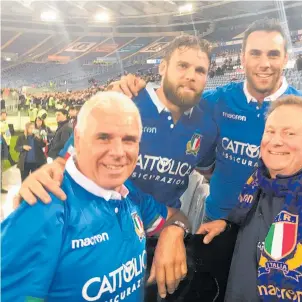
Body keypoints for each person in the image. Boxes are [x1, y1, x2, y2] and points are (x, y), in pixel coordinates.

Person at [108, 19, 302, 222]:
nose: (264, 63)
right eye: (255, 53)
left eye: (273, 54)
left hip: (276, 221)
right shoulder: (215, 101)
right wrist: (130, 90)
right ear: (243, 58)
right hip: (218, 218)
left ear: (285, 58)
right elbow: (178, 100)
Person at [1, 91, 190, 301]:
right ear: (78, 139)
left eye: (129, 140)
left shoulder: (129, 194)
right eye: (103, 137)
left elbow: (176, 217)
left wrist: (174, 231)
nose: (118, 152)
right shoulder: (43, 208)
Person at [14, 35, 218, 210]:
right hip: (105, 225)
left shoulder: (206, 126)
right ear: (163, 67)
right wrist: (51, 171)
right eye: (183, 65)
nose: (191, 76)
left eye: (200, 70)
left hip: (162, 231)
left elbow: (211, 172)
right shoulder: (124, 101)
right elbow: (69, 159)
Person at [196, 96, 302, 301]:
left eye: (290, 133)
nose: (276, 141)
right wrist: (228, 228)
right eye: (270, 131)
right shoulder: (257, 186)